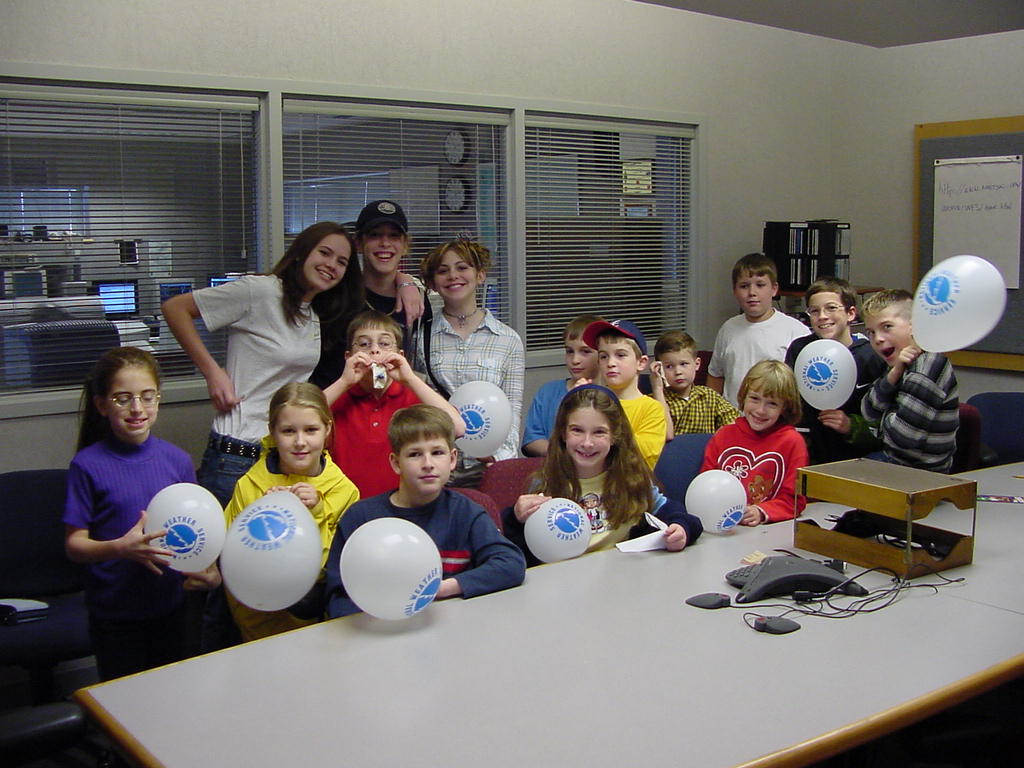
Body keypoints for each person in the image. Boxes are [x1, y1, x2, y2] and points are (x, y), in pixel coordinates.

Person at [162, 221, 361, 507]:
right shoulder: (261, 291)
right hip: (236, 456)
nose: (331, 265)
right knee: (226, 550)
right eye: (325, 253)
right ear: (303, 252)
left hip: (280, 459)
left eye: (341, 262)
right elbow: (175, 308)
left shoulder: (314, 315)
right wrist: (212, 372)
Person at [64, 347, 219, 680]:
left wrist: (206, 571)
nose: (137, 408)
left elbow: (195, 532)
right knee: (123, 704)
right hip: (115, 614)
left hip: (170, 606)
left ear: (158, 400)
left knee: (170, 695)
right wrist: (119, 548)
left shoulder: (177, 461)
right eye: (123, 399)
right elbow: (74, 545)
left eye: (147, 397)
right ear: (101, 404)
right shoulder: (87, 465)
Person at [324, 404, 526, 618]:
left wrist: (441, 590)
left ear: (452, 459)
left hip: (448, 628)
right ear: (396, 463)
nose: (428, 464)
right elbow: (338, 597)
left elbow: (510, 563)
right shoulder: (360, 519)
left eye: (437, 452)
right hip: (379, 633)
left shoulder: (466, 512)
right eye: (414, 454)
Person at [502, 384, 702, 567]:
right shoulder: (546, 483)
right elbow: (516, 548)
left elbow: (673, 512)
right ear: (563, 433)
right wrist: (516, 518)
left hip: (617, 580)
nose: (587, 443)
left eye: (599, 432)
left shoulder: (631, 479)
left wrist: (681, 528)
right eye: (577, 431)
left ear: (615, 435)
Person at [223, 382, 359, 641]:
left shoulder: (343, 490)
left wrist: (317, 513)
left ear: (327, 429)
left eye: (311, 430)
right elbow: (232, 560)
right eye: (288, 431)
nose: (300, 442)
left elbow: (336, 569)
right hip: (257, 628)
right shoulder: (249, 485)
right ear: (272, 432)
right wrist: (263, 521)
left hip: (317, 631)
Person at [324, 310, 464, 498]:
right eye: (364, 344)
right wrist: (344, 382)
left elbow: (458, 428)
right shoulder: (338, 396)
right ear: (348, 356)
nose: (374, 350)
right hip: (346, 508)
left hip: (404, 508)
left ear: (400, 354)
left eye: (384, 344)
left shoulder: (415, 395)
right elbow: (298, 419)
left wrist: (409, 379)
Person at [414, 238, 524, 469]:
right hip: (437, 464)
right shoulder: (420, 337)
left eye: (462, 267)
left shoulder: (508, 340)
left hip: (489, 465)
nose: (453, 275)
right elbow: (417, 405)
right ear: (433, 283)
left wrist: (500, 459)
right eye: (443, 271)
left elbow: (512, 413)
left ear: (480, 275)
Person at [310, 200, 425, 388]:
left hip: (389, 409)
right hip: (332, 407)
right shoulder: (334, 295)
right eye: (375, 235)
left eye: (394, 236)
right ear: (359, 243)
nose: (385, 243)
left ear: (405, 245)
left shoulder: (416, 300)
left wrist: (405, 280)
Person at [784, 277, 887, 463]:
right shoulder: (799, 349)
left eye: (831, 308)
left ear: (851, 313)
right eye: (814, 311)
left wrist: (851, 426)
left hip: (855, 457)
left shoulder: (871, 355)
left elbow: (882, 418)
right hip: (808, 451)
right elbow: (788, 400)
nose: (822, 316)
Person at [860, 289, 959, 473]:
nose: (878, 339)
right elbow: (867, 410)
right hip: (894, 463)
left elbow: (903, 439)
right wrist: (894, 373)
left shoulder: (928, 364)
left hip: (922, 476)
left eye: (887, 327)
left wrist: (878, 424)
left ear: (914, 325)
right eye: (871, 332)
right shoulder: (898, 362)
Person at [700, 360, 808, 525]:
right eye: (755, 399)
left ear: (785, 407)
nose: (760, 410)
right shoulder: (724, 435)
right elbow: (705, 487)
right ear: (744, 396)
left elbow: (794, 501)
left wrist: (762, 512)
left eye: (772, 403)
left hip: (767, 533)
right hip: (722, 527)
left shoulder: (793, 442)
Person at [706, 252, 808, 407]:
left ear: (774, 289)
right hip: (733, 420)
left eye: (760, 285)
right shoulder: (728, 329)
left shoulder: (795, 331)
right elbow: (716, 375)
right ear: (735, 291)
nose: (752, 293)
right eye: (744, 286)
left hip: (773, 421)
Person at [581, 318, 666, 469]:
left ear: (641, 363)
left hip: (630, 487)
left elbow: (637, 456)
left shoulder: (651, 409)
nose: (611, 363)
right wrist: (575, 404)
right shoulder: (591, 402)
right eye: (604, 356)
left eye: (620, 355)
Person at [521, 313, 602, 457]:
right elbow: (531, 440)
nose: (575, 360)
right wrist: (564, 456)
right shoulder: (547, 392)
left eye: (585, 352)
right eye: (569, 351)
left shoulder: (610, 395)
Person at [650, 330, 738, 438]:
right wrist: (657, 390)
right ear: (659, 369)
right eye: (669, 366)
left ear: (697, 364)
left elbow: (735, 421)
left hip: (705, 452)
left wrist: (719, 435)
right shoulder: (655, 401)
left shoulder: (709, 396)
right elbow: (662, 433)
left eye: (683, 364)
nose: (678, 372)